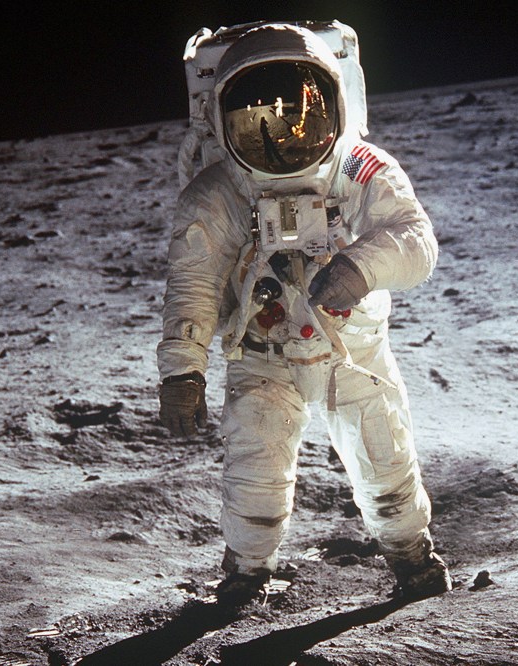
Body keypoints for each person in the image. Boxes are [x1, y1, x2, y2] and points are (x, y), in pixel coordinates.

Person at [157, 22, 450, 605]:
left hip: (350, 348)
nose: (284, 136)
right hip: (261, 353)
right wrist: (182, 370)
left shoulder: (357, 168)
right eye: (255, 119)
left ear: (333, 101)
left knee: (385, 462)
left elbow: (415, 237)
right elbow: (194, 282)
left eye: (302, 112)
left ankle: (412, 557)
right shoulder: (220, 192)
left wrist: (360, 268)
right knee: (255, 472)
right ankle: (246, 572)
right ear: (223, 119)